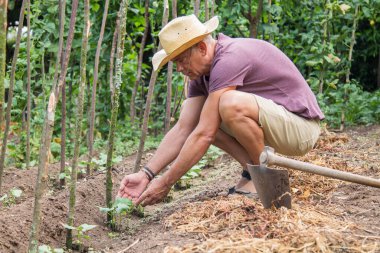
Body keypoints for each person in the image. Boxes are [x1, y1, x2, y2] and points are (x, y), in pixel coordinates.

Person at [117, 14, 324, 206]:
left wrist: (166, 183)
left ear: (202, 48)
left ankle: (263, 176)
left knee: (228, 104)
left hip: (302, 128)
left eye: (181, 60)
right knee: (206, 114)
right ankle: (252, 172)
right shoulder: (201, 76)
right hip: (279, 125)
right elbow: (184, 128)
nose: (179, 68)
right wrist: (147, 174)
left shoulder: (229, 59)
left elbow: (205, 134)